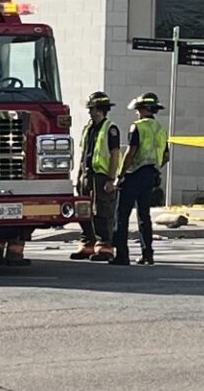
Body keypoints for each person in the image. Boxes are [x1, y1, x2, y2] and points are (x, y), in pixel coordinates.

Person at [110, 92, 168, 267]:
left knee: (122, 215)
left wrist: (120, 175)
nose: (136, 112)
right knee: (144, 215)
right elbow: (166, 156)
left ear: (143, 109)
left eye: (138, 109)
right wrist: (155, 168)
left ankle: (122, 255)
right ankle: (147, 254)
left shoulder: (137, 127)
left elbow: (130, 152)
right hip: (150, 175)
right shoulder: (160, 128)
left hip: (134, 174)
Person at [71, 92, 122, 262]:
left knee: (102, 211)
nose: (89, 112)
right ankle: (87, 243)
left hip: (101, 176)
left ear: (100, 110)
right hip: (87, 174)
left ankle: (105, 246)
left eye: (92, 108)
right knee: (83, 210)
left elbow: (115, 154)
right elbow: (85, 153)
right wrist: (78, 175)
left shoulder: (110, 129)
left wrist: (111, 178)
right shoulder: (89, 128)